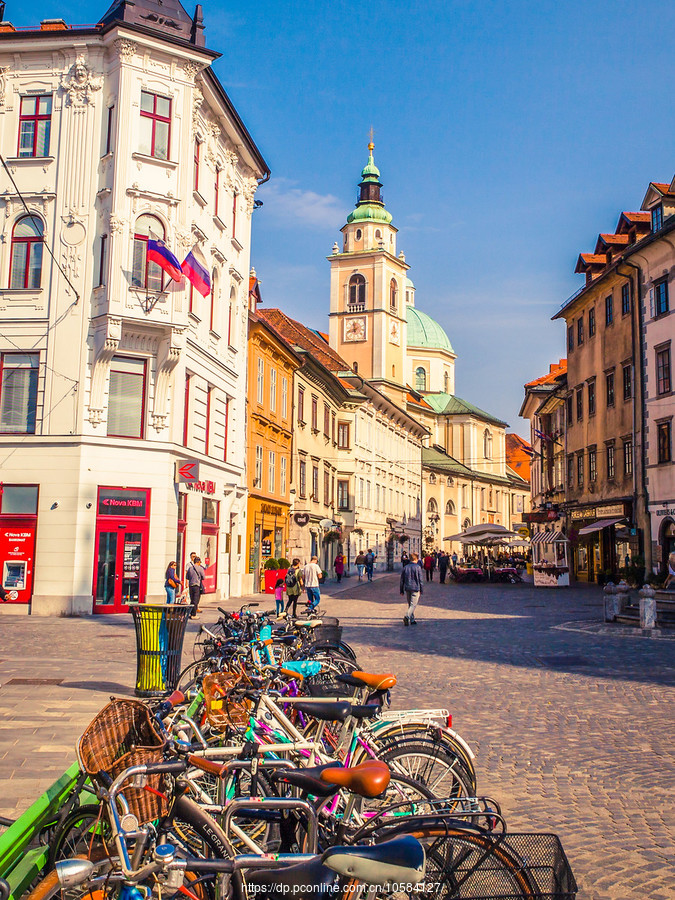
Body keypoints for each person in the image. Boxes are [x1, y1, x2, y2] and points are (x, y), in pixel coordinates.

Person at [400, 552, 424, 626]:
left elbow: (402, 580)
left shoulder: (405, 567)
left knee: (410, 604)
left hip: (407, 588)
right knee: (413, 605)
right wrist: (421, 589)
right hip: (415, 588)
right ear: (416, 559)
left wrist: (401, 590)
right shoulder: (417, 567)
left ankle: (412, 619)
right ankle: (407, 616)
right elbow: (420, 580)